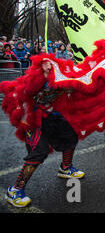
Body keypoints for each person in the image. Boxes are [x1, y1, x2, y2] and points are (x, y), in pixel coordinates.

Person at [5, 59, 85, 208]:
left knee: (71, 135)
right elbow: (28, 91)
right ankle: (15, 190)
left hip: (51, 116)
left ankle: (65, 168)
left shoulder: (67, 77)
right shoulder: (37, 77)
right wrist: (43, 73)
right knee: (39, 151)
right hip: (31, 119)